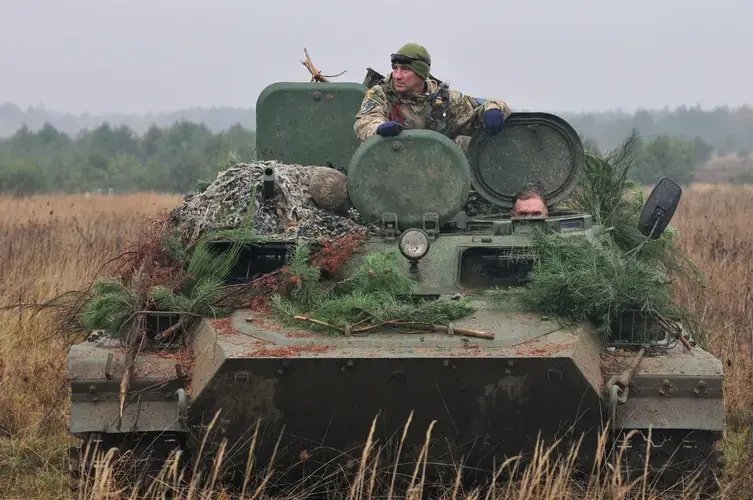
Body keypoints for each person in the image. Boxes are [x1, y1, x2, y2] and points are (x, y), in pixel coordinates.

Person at [354, 43, 511, 149]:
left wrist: (492, 109)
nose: (397, 76)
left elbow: (487, 105)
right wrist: (379, 129)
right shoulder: (380, 94)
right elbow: (366, 123)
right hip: (392, 164)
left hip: (437, 169)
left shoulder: (443, 99)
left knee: (463, 142)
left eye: (405, 70)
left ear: (421, 74)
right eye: (395, 68)